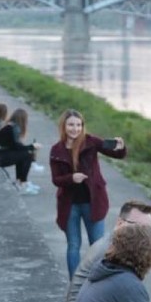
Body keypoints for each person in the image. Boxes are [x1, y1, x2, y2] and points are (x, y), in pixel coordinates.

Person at [49, 109, 127, 278]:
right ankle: (74, 286)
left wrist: (121, 148)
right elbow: (56, 180)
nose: (74, 129)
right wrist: (72, 178)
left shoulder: (90, 142)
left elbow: (115, 153)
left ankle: (98, 283)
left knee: (98, 246)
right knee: (73, 246)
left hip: (93, 202)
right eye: (71, 125)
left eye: (78, 125)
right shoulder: (56, 150)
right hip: (69, 205)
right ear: (64, 126)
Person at [0, 108, 41, 195]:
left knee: (23, 154)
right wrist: (32, 147)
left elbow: (14, 147)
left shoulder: (9, 126)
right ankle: (22, 183)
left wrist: (29, 148)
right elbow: (16, 146)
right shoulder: (13, 128)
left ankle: (20, 182)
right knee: (27, 155)